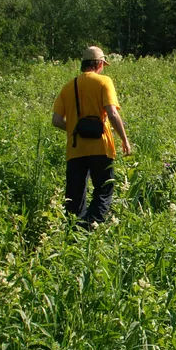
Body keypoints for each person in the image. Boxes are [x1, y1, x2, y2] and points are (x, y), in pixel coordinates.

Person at [52, 46, 131, 228]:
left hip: (75, 149)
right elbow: (112, 113)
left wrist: (75, 128)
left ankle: (74, 232)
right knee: (104, 190)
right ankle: (90, 227)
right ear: (99, 64)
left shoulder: (68, 87)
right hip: (100, 147)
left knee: (75, 195)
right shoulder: (104, 82)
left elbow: (56, 120)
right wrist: (124, 139)